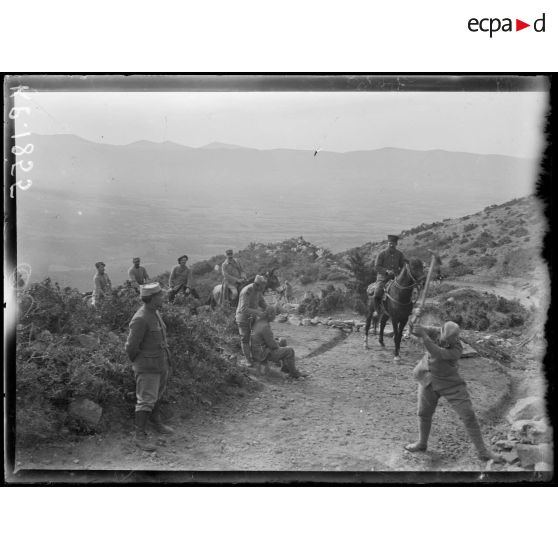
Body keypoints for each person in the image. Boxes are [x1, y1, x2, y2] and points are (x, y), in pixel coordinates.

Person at [405, 321, 502, 462]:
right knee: (423, 413)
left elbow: (437, 353)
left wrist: (424, 337)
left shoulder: (457, 349)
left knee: (468, 415)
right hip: (428, 378)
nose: (457, 338)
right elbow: (417, 330)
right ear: (443, 332)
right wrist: (413, 324)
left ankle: (483, 452)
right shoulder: (435, 331)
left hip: (451, 384)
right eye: (454, 336)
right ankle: (422, 443)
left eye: (457, 336)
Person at [125, 282, 174, 451]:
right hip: (147, 367)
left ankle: (156, 423)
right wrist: (140, 363)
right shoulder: (140, 318)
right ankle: (139, 435)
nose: (163, 297)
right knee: (146, 400)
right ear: (152, 299)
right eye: (160, 295)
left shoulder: (155, 312)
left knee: (157, 395)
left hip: (161, 363)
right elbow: (131, 347)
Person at [250, 307, 305, 378]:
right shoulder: (265, 326)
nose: (275, 316)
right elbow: (272, 345)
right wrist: (278, 346)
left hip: (257, 350)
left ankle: (285, 368)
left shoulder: (259, 322)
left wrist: (277, 343)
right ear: (270, 315)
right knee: (290, 351)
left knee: (282, 340)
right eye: (274, 314)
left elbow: (266, 339)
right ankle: (294, 373)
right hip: (262, 354)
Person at [235, 275, 268, 366]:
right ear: (257, 284)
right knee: (245, 339)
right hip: (242, 317)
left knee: (255, 337)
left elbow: (262, 302)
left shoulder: (258, 291)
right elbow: (243, 309)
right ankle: (248, 360)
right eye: (263, 286)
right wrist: (258, 312)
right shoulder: (247, 291)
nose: (264, 288)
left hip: (252, 317)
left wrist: (269, 309)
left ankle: (255, 357)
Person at [372, 234, 406, 316]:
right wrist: (386, 271)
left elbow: (403, 266)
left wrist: (399, 271)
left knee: (405, 290)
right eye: (390, 243)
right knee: (378, 291)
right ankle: (376, 310)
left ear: (396, 244)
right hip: (383, 277)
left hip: (396, 277)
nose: (391, 245)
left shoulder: (399, 254)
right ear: (387, 243)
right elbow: (377, 267)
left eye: (393, 243)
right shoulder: (381, 254)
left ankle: (404, 310)